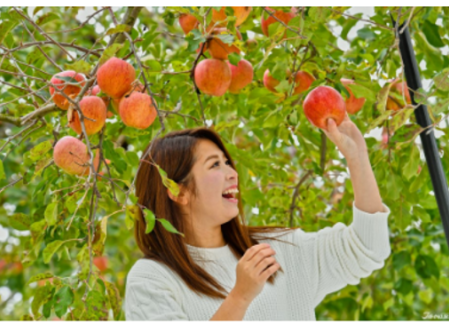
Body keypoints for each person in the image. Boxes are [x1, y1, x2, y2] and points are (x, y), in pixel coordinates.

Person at [123, 117, 391, 320]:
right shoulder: (152, 279)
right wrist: (240, 297)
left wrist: (358, 158)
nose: (232, 173)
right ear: (178, 192)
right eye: (215, 164)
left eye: (227, 162)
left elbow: (368, 247)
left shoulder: (277, 250)